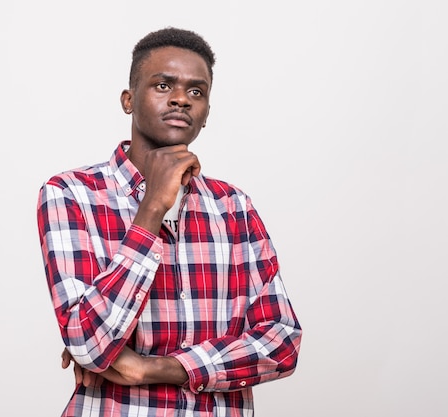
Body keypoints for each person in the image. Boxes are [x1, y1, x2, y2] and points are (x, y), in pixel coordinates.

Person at [37, 27, 302, 417]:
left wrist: (156, 368)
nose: (181, 98)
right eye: (163, 85)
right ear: (128, 100)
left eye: (197, 92)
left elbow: (281, 343)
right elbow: (89, 345)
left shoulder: (234, 207)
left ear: (207, 113)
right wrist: (151, 210)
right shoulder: (71, 194)